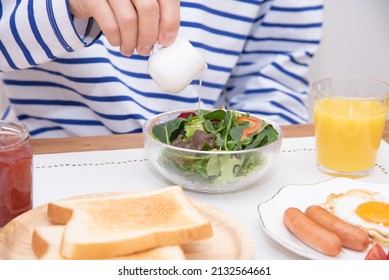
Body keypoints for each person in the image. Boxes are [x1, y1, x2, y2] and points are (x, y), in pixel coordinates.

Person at [0, 0, 323, 138]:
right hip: (48, 154)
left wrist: (247, 160)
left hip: (198, 165)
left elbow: (272, 80)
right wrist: (67, 7)